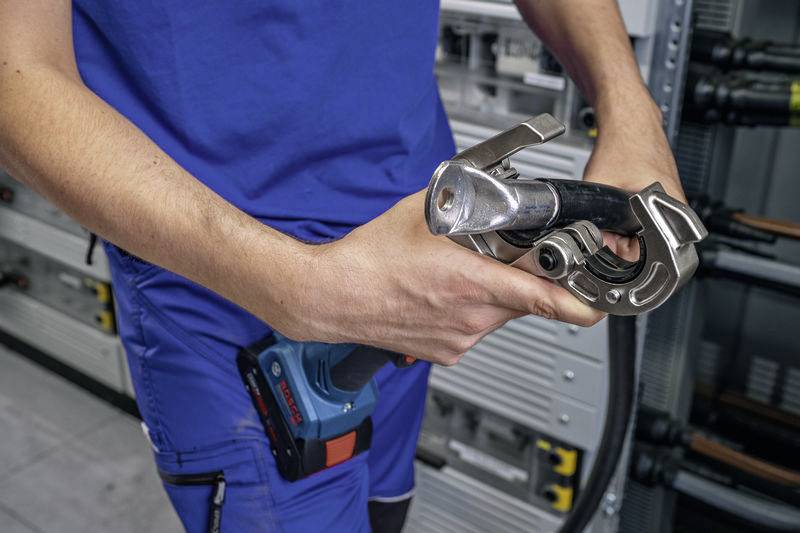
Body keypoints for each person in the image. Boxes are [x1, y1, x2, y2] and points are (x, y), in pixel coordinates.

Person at [0, 1, 686, 531]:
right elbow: (14, 72)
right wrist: (299, 286)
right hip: (221, 272)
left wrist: (628, 103)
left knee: (384, 506)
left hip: (412, 236)